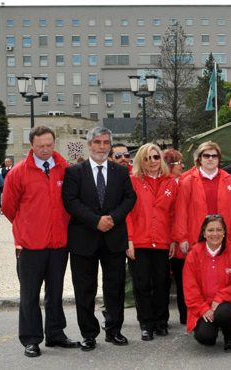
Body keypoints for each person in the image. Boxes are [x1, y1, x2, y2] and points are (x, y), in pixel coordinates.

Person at [2, 126, 78, 357]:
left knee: (55, 292)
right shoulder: (18, 172)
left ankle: (55, 334)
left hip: (58, 244)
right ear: (31, 146)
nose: (45, 150)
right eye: (40, 146)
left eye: (49, 145)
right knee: (29, 294)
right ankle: (31, 339)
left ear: (53, 144)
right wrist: (28, 227)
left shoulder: (65, 169)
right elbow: (8, 208)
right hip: (30, 246)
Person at [62, 126, 137, 351]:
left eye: (105, 142)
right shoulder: (74, 172)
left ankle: (114, 330)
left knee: (114, 288)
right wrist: (96, 221)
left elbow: (130, 198)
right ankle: (88, 334)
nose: (101, 147)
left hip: (113, 238)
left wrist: (112, 218)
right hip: (83, 239)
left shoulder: (121, 172)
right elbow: (70, 201)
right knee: (85, 289)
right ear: (89, 144)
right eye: (97, 142)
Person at [125, 143, 178, 340]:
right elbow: (127, 214)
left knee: (162, 283)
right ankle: (146, 323)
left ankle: (161, 321)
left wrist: (173, 239)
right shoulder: (132, 181)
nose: (152, 162)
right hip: (140, 241)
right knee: (142, 284)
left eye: (156, 157)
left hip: (163, 241)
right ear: (141, 160)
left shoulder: (171, 182)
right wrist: (129, 239)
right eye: (147, 158)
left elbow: (174, 213)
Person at [183, 215, 231, 351]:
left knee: (224, 313)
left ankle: (230, 335)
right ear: (204, 233)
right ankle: (213, 327)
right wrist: (203, 309)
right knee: (205, 337)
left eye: (219, 230)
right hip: (203, 305)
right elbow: (190, 288)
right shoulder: (193, 254)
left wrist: (221, 297)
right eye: (210, 230)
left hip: (226, 303)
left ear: (224, 233)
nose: (215, 234)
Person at [174, 142, 231, 256]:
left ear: (219, 159)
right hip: (197, 238)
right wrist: (182, 238)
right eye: (206, 156)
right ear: (200, 159)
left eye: (214, 156)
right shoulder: (187, 182)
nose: (210, 159)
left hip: (225, 238)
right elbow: (181, 212)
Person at [163, 148, 188, 325]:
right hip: (173, 240)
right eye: (180, 163)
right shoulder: (174, 184)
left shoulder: (178, 182)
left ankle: (180, 316)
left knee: (177, 280)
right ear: (171, 165)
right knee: (182, 281)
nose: (182, 166)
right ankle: (184, 316)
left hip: (173, 239)